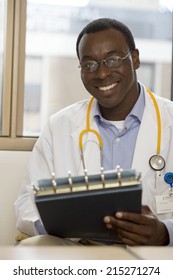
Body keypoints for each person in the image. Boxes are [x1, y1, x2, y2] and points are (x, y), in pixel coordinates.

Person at [15, 18, 173, 246]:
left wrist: (165, 232)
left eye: (113, 60)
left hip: (154, 255)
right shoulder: (60, 126)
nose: (101, 74)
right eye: (89, 65)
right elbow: (25, 204)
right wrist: (59, 221)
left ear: (135, 59)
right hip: (79, 251)